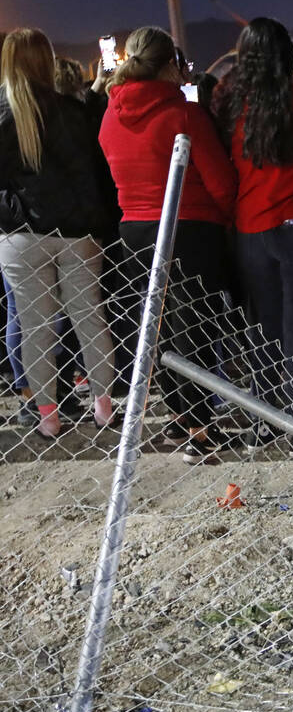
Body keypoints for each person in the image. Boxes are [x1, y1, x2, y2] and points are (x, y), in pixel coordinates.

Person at [99, 25, 238, 462]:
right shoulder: (185, 114)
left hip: (136, 230)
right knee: (195, 327)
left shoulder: (111, 113)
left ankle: (181, 417)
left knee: (158, 329)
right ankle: (200, 429)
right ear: (169, 65)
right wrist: (230, 215)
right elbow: (220, 182)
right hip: (189, 227)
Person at [211, 17, 293, 442]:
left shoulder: (228, 106)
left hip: (250, 225)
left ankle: (264, 418)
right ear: (287, 56)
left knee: (262, 326)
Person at [0, 28, 118, 439]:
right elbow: (93, 173)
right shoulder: (72, 111)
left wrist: (14, 213)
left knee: (36, 327)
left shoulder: (3, 112)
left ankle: (48, 417)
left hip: (22, 236)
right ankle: (104, 408)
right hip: (78, 233)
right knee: (90, 318)